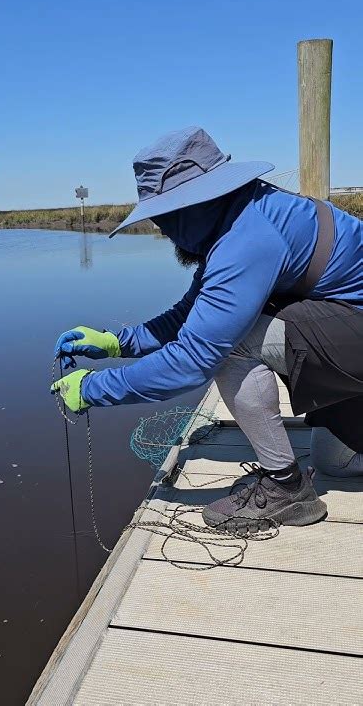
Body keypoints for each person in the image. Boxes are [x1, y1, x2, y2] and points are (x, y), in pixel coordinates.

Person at [51, 126, 363, 531]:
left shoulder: (246, 241)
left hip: (351, 332)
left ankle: (286, 490)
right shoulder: (244, 214)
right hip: (347, 331)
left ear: (199, 202)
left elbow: (193, 360)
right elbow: (191, 312)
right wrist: (116, 343)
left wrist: (94, 389)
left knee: (232, 345)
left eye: (166, 214)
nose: (161, 229)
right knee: (333, 462)